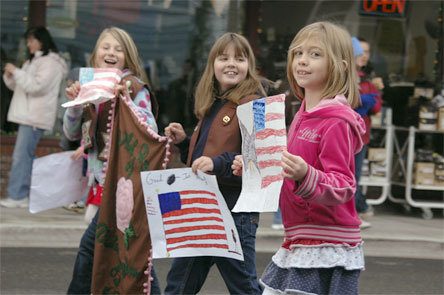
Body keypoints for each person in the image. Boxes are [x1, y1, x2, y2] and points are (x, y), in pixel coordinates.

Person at [233, 21, 366, 294]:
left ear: (340, 66)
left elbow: (344, 185)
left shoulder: (336, 122)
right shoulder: (303, 116)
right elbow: (289, 173)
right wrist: (253, 169)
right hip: (301, 239)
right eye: (298, 53)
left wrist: (306, 174)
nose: (302, 61)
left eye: (315, 54)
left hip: (326, 245)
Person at [163, 32, 266, 295]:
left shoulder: (255, 104)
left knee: (243, 287)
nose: (231, 63)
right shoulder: (214, 104)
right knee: (179, 284)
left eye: (239, 58)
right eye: (224, 58)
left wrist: (217, 163)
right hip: (204, 207)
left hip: (235, 210)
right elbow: (207, 154)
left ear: (249, 66)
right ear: (213, 65)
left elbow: (260, 157)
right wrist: (185, 141)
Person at [63, 27, 160, 294]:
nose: (111, 53)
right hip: (104, 186)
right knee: (133, 254)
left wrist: (126, 101)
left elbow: (149, 130)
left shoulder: (135, 88)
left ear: (127, 58)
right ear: (95, 56)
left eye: (118, 49)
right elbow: (72, 134)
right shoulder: (89, 88)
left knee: (91, 251)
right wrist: (75, 104)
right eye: (105, 47)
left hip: (126, 185)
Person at [1, 26, 67, 208]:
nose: (28, 44)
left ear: (41, 40)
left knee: (21, 157)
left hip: (34, 117)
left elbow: (37, 86)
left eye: (31, 40)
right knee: (23, 156)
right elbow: (21, 87)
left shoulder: (50, 63)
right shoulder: (34, 61)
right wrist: (11, 76)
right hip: (27, 116)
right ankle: (20, 195)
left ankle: (18, 196)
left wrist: (16, 72)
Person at [352, 37, 383, 228]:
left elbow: (377, 106)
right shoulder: (343, 78)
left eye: (367, 52)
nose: (364, 56)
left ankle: (356, 211)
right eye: (360, 51)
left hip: (361, 137)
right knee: (347, 177)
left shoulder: (367, 80)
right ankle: (358, 210)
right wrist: (366, 100)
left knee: (354, 177)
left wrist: (365, 100)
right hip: (344, 135)